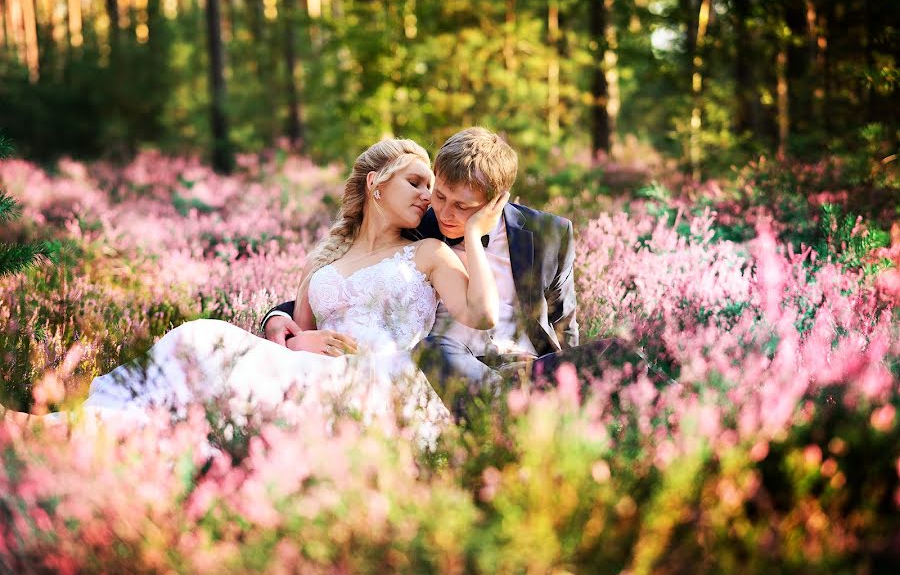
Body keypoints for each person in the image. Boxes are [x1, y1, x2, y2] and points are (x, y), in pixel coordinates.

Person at [5, 138, 508, 446]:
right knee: (197, 342)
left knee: (206, 350)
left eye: (433, 189)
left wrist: (471, 227)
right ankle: (73, 427)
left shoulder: (429, 255)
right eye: (418, 182)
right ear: (377, 183)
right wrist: (291, 339)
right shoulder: (327, 260)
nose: (428, 196)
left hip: (375, 377)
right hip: (309, 367)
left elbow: (482, 313)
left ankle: (74, 433)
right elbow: (298, 325)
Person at [263, 128, 618, 414]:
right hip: (451, 367)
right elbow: (356, 282)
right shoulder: (418, 224)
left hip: (527, 368)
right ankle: (513, 417)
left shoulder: (548, 234)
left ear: (497, 200)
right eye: (439, 194)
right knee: (437, 350)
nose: (442, 211)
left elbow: (562, 321)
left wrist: (570, 374)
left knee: (616, 353)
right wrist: (280, 319)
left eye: (462, 206)